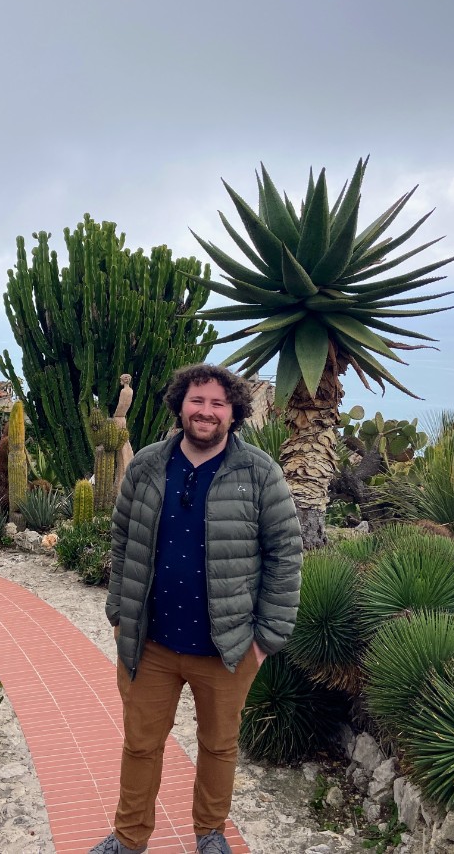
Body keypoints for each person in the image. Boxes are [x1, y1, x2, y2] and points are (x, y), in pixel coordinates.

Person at [89, 363, 302, 854]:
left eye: (217, 403)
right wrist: (120, 614)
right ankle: (128, 837)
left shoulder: (259, 474)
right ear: (181, 405)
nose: (206, 411)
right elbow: (122, 539)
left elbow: (286, 554)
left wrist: (266, 638)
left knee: (218, 747)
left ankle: (210, 833)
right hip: (152, 642)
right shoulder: (145, 465)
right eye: (197, 400)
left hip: (226, 647)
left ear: (234, 413)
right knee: (140, 746)